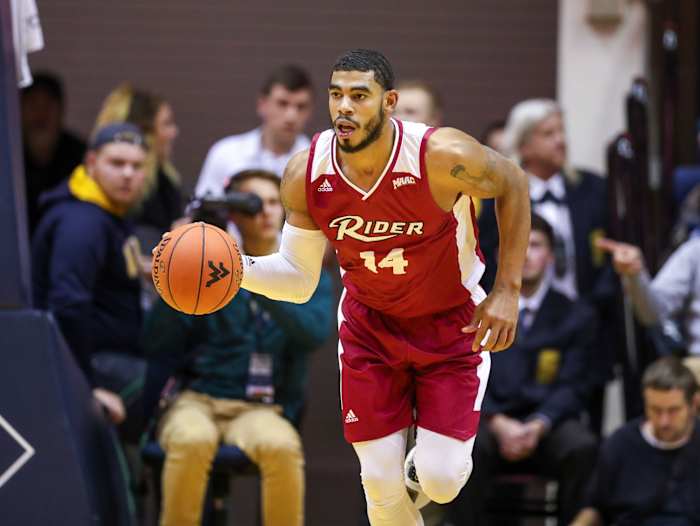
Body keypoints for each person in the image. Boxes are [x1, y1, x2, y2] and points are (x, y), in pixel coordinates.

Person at [236, 49, 530, 526]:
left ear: (389, 101)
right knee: (377, 480)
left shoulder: (441, 155)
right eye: (336, 96)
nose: (344, 108)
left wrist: (507, 290)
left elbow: (513, 181)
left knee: (442, 480)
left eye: (359, 96)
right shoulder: (305, 172)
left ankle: (423, 472)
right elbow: (297, 278)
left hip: (450, 323)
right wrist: (235, 267)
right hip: (370, 327)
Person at [143, 169, 333, 526]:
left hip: (258, 408)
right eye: (253, 204)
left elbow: (313, 333)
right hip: (196, 399)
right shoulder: (202, 264)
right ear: (233, 214)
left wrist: (251, 275)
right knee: (191, 440)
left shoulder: (309, 274)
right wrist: (171, 274)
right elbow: (157, 341)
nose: (266, 212)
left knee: (282, 446)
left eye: (276, 203)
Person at [446, 214, 598, 525]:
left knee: (582, 447)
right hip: (490, 422)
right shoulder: (475, 308)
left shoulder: (576, 314)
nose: (527, 254)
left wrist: (539, 425)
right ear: (504, 255)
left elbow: (575, 385)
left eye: (537, 245)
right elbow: (461, 375)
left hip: (546, 425)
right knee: (460, 448)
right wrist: (497, 421)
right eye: (519, 246)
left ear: (551, 257)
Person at [479, 98, 617, 432]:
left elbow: (608, 256)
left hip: (580, 324)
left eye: (562, 131)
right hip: (513, 324)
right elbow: (480, 260)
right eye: (548, 133)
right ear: (524, 143)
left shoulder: (592, 189)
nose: (561, 140)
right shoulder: (493, 195)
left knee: (581, 436)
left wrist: (591, 310)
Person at [32, 122, 148, 426]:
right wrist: (86, 386)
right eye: (117, 163)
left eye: (136, 166)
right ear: (92, 162)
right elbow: (68, 304)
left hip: (111, 356)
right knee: (174, 398)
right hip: (89, 364)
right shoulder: (83, 221)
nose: (127, 174)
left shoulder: (107, 212)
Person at [571, 357, 700, 526]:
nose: (664, 421)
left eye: (673, 410)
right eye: (655, 410)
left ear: (694, 404)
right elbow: (594, 507)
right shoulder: (620, 444)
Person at [195, 64, 314, 196]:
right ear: (262, 105)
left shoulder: (320, 164)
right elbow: (201, 211)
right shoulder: (225, 154)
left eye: (301, 107)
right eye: (282, 103)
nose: (291, 116)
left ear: (310, 112)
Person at [94, 83, 183, 241]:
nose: (128, 174)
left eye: (136, 166)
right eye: (166, 123)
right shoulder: (126, 194)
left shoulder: (164, 181)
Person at [21, 71, 86, 234]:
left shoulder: (79, 153)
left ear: (60, 111)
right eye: (33, 105)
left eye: (48, 106)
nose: (40, 115)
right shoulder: (9, 156)